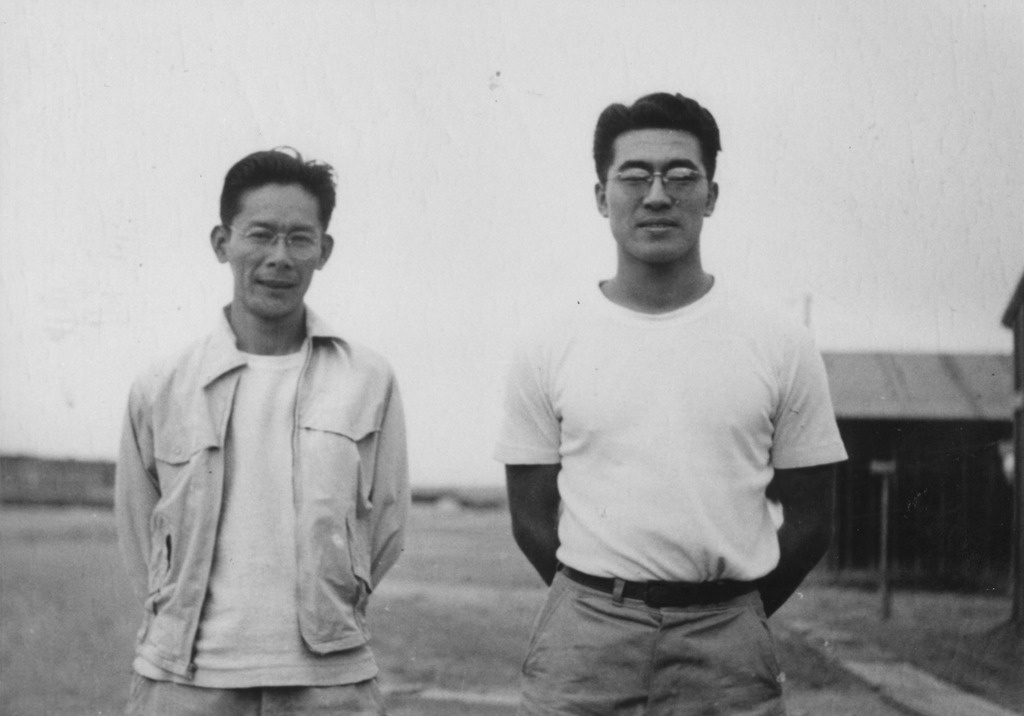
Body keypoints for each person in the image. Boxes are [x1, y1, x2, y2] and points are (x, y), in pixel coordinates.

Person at [494, 93, 848, 715]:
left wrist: (736, 616)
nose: (657, 194)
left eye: (681, 175)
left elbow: (813, 521)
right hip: (584, 644)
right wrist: (600, 605)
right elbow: (529, 517)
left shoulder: (780, 342)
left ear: (711, 195)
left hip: (729, 644)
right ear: (602, 196)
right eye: (634, 175)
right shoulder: (547, 341)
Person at [115, 148, 409, 715]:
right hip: (184, 680)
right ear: (222, 242)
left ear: (323, 251)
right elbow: (137, 528)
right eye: (261, 234)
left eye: (300, 238)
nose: (279, 257)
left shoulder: (368, 378)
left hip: (330, 681)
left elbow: (388, 524)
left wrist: (339, 605)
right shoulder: (163, 385)